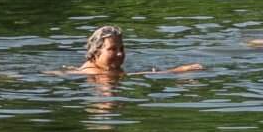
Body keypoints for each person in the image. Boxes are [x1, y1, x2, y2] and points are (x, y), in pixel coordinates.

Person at [64, 25, 201, 79]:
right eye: (112, 49)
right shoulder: (95, 73)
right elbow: (133, 75)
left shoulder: (105, 69)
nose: (120, 54)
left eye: (122, 49)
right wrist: (178, 71)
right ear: (95, 53)